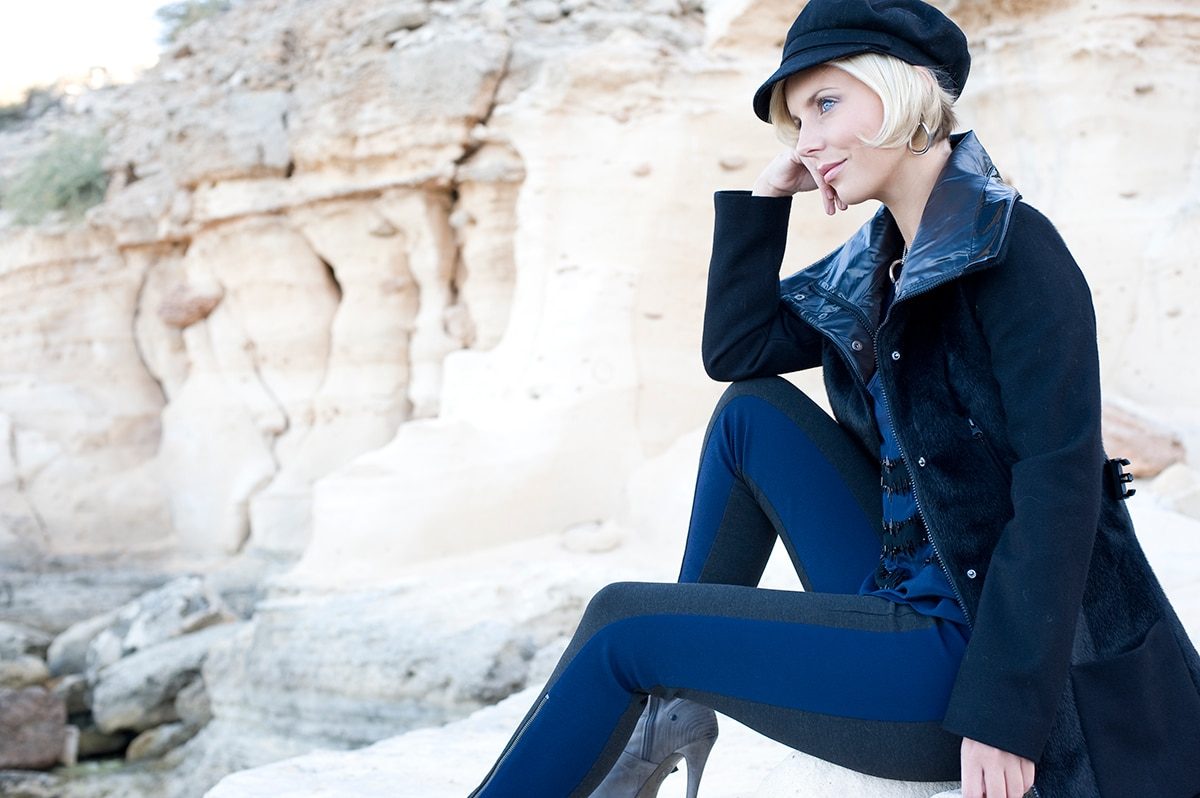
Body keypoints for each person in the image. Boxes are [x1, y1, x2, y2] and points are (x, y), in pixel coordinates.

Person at [468, 1, 1200, 796]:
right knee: (752, 413)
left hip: (970, 652)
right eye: (796, 122)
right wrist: (766, 196)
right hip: (900, 591)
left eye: (825, 104)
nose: (805, 141)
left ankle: (655, 692)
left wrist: (1006, 714)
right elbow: (738, 352)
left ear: (907, 88)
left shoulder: (1014, 251)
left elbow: (1060, 486)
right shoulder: (874, 266)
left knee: (625, 623)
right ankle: (670, 712)